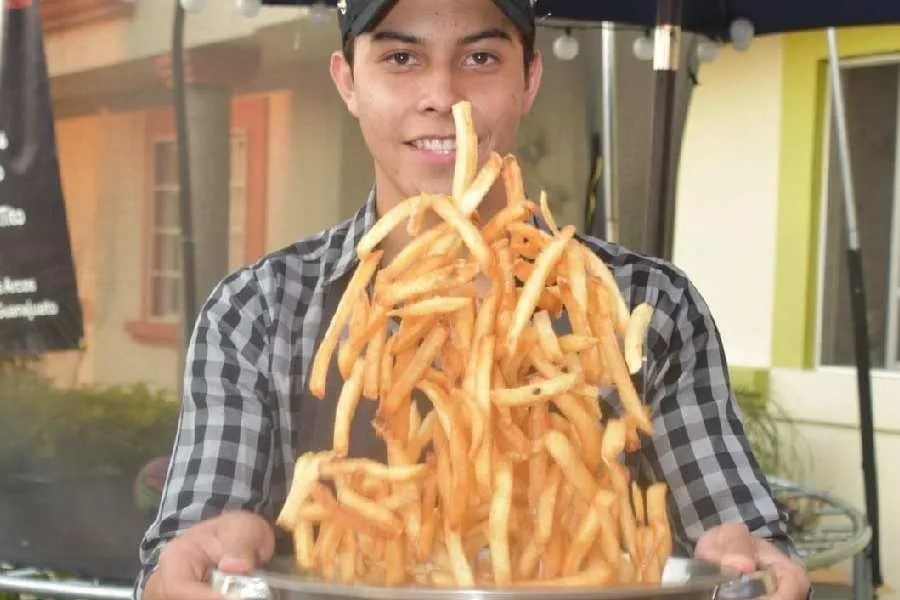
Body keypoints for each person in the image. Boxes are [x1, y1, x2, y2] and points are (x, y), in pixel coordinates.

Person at [135, 1, 811, 599]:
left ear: (530, 80)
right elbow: (178, 562)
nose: (443, 97)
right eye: (401, 57)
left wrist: (751, 568)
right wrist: (200, 559)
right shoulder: (255, 313)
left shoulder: (648, 305)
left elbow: (743, 543)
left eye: (480, 57)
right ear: (348, 81)